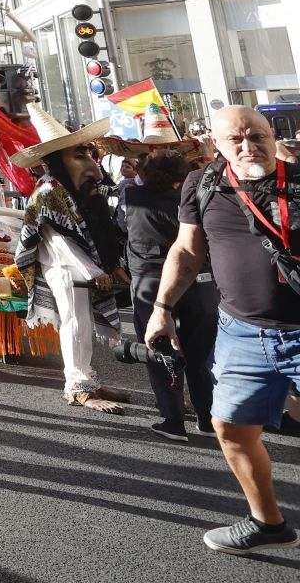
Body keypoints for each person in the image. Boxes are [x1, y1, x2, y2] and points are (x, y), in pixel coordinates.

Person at [147, 106, 300, 553]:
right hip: (241, 333)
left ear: (274, 136)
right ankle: (268, 524)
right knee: (230, 428)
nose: (249, 146)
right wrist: (162, 308)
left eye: (257, 136)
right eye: (236, 139)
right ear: (216, 143)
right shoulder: (202, 183)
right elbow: (187, 249)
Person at [12, 111, 128, 413]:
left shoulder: (72, 188)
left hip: (83, 268)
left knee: (83, 324)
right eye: (80, 156)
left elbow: (103, 214)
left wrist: (110, 263)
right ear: (57, 162)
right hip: (66, 269)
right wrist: (93, 271)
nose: (91, 165)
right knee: (75, 324)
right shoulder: (49, 192)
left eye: (90, 155)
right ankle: (78, 387)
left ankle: (88, 378)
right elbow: (58, 240)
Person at [108, 132, 214, 441]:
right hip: (198, 280)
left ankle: (173, 420)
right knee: (200, 351)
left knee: (158, 349)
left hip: (150, 281)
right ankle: (207, 418)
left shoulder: (130, 196)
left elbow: (118, 227)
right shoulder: (196, 199)